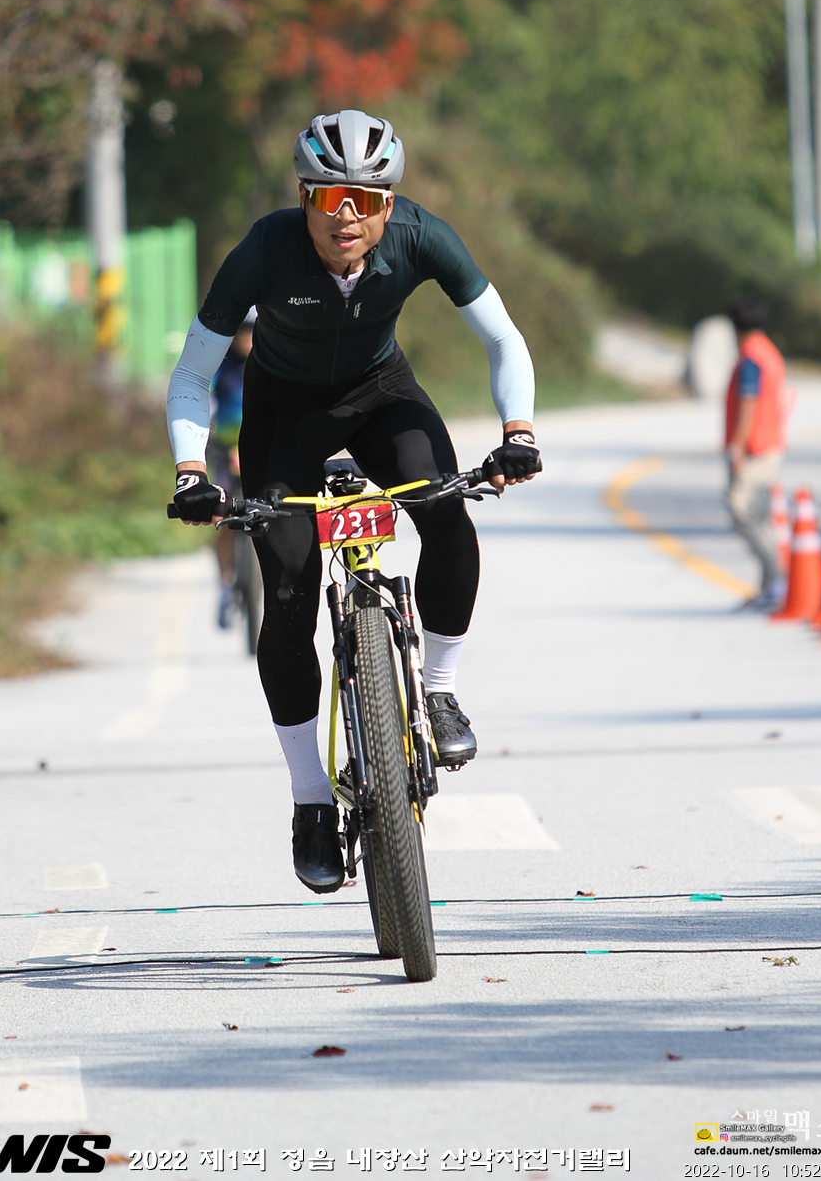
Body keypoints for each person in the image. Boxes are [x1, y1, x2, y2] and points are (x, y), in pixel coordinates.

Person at [166, 109, 541, 893]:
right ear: (303, 197)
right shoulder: (264, 250)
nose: (346, 216)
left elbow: (502, 338)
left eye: (365, 201)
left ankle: (439, 692)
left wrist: (519, 432)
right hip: (283, 416)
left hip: (381, 396)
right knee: (289, 596)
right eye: (329, 197)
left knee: (446, 511)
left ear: (388, 205)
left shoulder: (420, 236)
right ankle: (310, 800)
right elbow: (195, 372)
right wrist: (191, 472)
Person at [724, 295, 788, 611]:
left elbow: (748, 404)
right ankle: (769, 586)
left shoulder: (750, 355)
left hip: (755, 448)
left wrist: (737, 446)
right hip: (770, 444)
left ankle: (778, 578)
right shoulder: (769, 352)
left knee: (741, 509)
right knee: (759, 516)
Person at [207, 310, 255, 628]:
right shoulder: (219, 365)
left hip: (257, 449)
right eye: (241, 331)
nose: (246, 338)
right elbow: (201, 399)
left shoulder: (270, 363)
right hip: (224, 450)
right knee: (222, 517)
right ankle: (225, 586)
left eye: (252, 331)